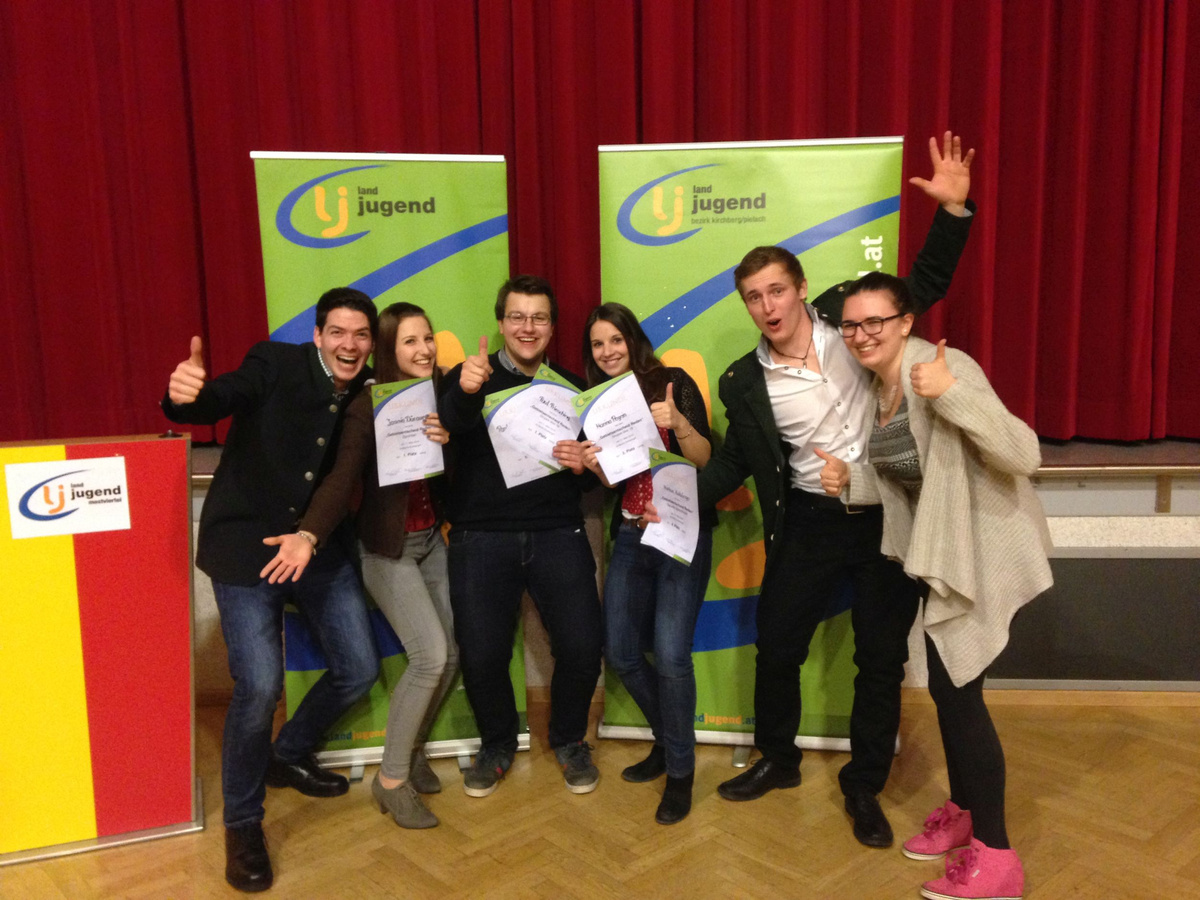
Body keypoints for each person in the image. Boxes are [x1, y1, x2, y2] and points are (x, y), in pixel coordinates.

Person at [694, 133, 976, 848]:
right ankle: (778, 758)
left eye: (776, 290)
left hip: (887, 512)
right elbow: (732, 465)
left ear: (800, 289)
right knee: (778, 645)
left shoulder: (852, 320)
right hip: (810, 521)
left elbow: (922, 285)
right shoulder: (743, 381)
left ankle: (864, 785)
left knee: (880, 658)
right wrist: (664, 497)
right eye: (753, 297)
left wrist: (952, 212)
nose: (767, 305)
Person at [817, 272, 1050, 900]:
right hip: (942, 554)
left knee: (959, 695)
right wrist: (853, 481)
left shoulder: (944, 369)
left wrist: (953, 394)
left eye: (875, 322)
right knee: (950, 693)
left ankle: (997, 860)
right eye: (850, 325)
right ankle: (967, 814)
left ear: (905, 322)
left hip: (981, 553)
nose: (861, 335)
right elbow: (911, 477)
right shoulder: (881, 387)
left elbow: (1023, 453)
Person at [161, 287, 381, 892]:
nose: (349, 345)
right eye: (338, 332)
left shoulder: (368, 393)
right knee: (259, 686)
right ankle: (242, 824)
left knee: (359, 668)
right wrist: (187, 397)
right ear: (318, 335)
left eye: (361, 335)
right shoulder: (275, 361)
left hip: (317, 550)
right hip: (246, 550)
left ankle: (287, 754)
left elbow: (343, 474)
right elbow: (223, 395)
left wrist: (309, 536)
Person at [259, 302, 457, 831]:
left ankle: (411, 751)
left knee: (452, 655)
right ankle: (390, 782)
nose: (424, 349)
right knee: (430, 656)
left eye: (428, 338)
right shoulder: (367, 404)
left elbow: (455, 473)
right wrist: (309, 534)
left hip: (431, 540)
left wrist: (449, 442)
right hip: (387, 549)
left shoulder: (438, 393)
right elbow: (342, 477)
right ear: (388, 350)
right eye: (410, 341)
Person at [437, 275, 603, 797]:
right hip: (480, 537)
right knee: (482, 653)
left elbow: (593, 471)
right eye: (516, 317)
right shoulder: (470, 378)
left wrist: (582, 465)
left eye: (539, 318)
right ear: (500, 323)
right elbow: (446, 428)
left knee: (583, 645)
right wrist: (465, 391)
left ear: (552, 327)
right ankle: (497, 745)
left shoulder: (573, 389)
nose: (527, 328)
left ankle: (569, 740)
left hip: (558, 530)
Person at [578, 302, 714, 825]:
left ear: (633, 340)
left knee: (674, 656)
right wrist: (595, 467)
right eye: (597, 344)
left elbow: (705, 459)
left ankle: (680, 772)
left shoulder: (672, 382)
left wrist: (678, 423)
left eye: (615, 339)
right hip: (633, 534)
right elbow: (617, 482)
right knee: (621, 650)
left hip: (680, 533)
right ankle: (669, 737)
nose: (607, 351)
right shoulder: (596, 402)